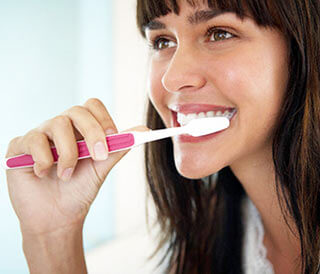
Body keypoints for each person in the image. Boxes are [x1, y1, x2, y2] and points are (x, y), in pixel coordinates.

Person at [5, 0, 320, 273]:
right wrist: (51, 236)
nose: (172, 78)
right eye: (162, 41)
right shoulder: (203, 238)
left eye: (219, 33)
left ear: (303, 47)